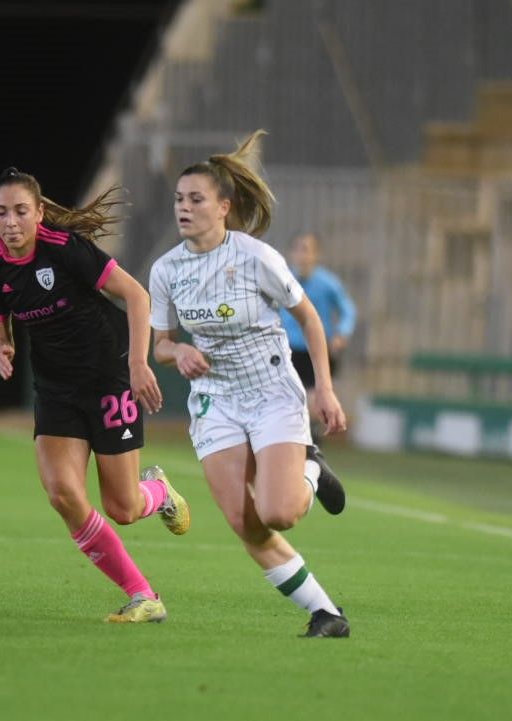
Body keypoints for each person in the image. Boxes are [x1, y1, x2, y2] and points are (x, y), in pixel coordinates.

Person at [148, 131, 352, 638]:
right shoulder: (166, 271)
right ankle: (327, 614)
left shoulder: (256, 257)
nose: (184, 208)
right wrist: (180, 351)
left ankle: (310, 469)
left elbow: (309, 319)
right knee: (246, 522)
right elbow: (161, 346)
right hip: (216, 402)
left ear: (224, 206)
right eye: (179, 199)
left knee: (279, 512)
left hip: (271, 393)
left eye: (196, 199)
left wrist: (323, 390)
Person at [0, 167, 191, 624]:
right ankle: (143, 595)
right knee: (63, 495)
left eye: (20, 211)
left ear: (38, 213)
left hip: (109, 377)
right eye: (1, 212)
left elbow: (137, 296)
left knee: (123, 508)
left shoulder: (65, 249)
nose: (11, 221)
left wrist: (138, 364)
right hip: (55, 389)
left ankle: (157, 490)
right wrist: (1, 346)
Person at [279, 232, 356, 441]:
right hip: (287, 349)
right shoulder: (282, 278)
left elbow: (348, 310)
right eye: (298, 249)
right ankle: (293, 440)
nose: (302, 255)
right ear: (291, 253)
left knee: (313, 400)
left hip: (316, 350)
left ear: (316, 255)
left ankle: (310, 438)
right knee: (286, 400)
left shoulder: (328, 283)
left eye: (307, 250)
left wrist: (342, 333)